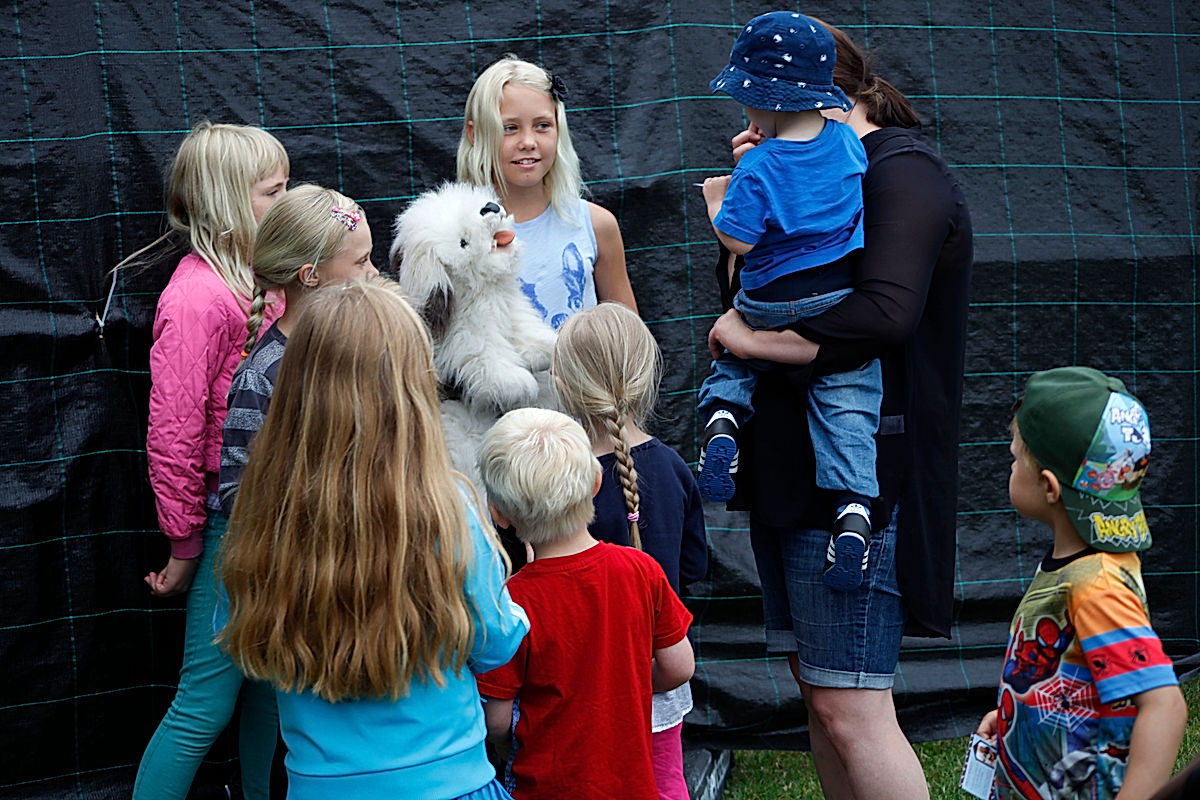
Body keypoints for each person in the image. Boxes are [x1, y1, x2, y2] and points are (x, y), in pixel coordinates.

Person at [706, 18, 973, 800]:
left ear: (830, 95)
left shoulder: (899, 172)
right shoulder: (789, 160)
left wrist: (764, 347)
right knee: (820, 695)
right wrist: (750, 204)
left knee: (853, 703)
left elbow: (884, 314)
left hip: (864, 468)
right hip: (793, 466)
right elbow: (744, 294)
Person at [217, 278, 529, 799]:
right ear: (409, 392)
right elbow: (496, 643)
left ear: (294, 389)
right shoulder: (447, 510)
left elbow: (239, 630)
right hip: (451, 784)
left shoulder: (261, 516)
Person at [697, 10, 878, 592]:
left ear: (764, 103)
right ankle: (853, 513)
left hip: (768, 301)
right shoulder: (849, 143)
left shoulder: (760, 166)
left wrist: (719, 199)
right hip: (831, 296)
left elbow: (740, 239)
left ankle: (722, 423)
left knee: (734, 349)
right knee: (850, 397)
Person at [135, 120, 289, 800]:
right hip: (230, 527)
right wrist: (186, 543)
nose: (286, 203)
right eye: (272, 192)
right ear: (228, 203)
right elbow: (172, 432)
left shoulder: (267, 278)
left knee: (270, 694)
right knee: (203, 705)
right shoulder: (195, 298)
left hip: (282, 521)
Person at [976, 366, 1185, 799]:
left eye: (1015, 458)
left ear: (1050, 487)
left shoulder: (1097, 586)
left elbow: (1164, 704)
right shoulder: (1080, 567)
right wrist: (1022, 711)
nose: (1011, 466)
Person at [474, 408, 695, 800]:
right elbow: (679, 666)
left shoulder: (511, 601)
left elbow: (496, 720)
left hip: (544, 787)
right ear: (596, 483)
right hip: (633, 785)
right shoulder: (640, 570)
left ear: (499, 515)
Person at [551, 303, 708, 800]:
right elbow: (694, 569)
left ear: (563, 385)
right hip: (662, 671)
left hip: (585, 687)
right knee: (664, 781)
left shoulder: (563, 485)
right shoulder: (674, 470)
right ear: (646, 376)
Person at [219, 183, 378, 514]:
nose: (374, 272)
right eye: (361, 261)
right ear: (310, 276)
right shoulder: (262, 375)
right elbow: (236, 491)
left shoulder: (369, 346)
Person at [457, 54, 637, 328]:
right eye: (509, 128)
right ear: (475, 133)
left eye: (542, 125)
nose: (528, 142)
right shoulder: (452, 236)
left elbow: (630, 343)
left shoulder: (596, 226)